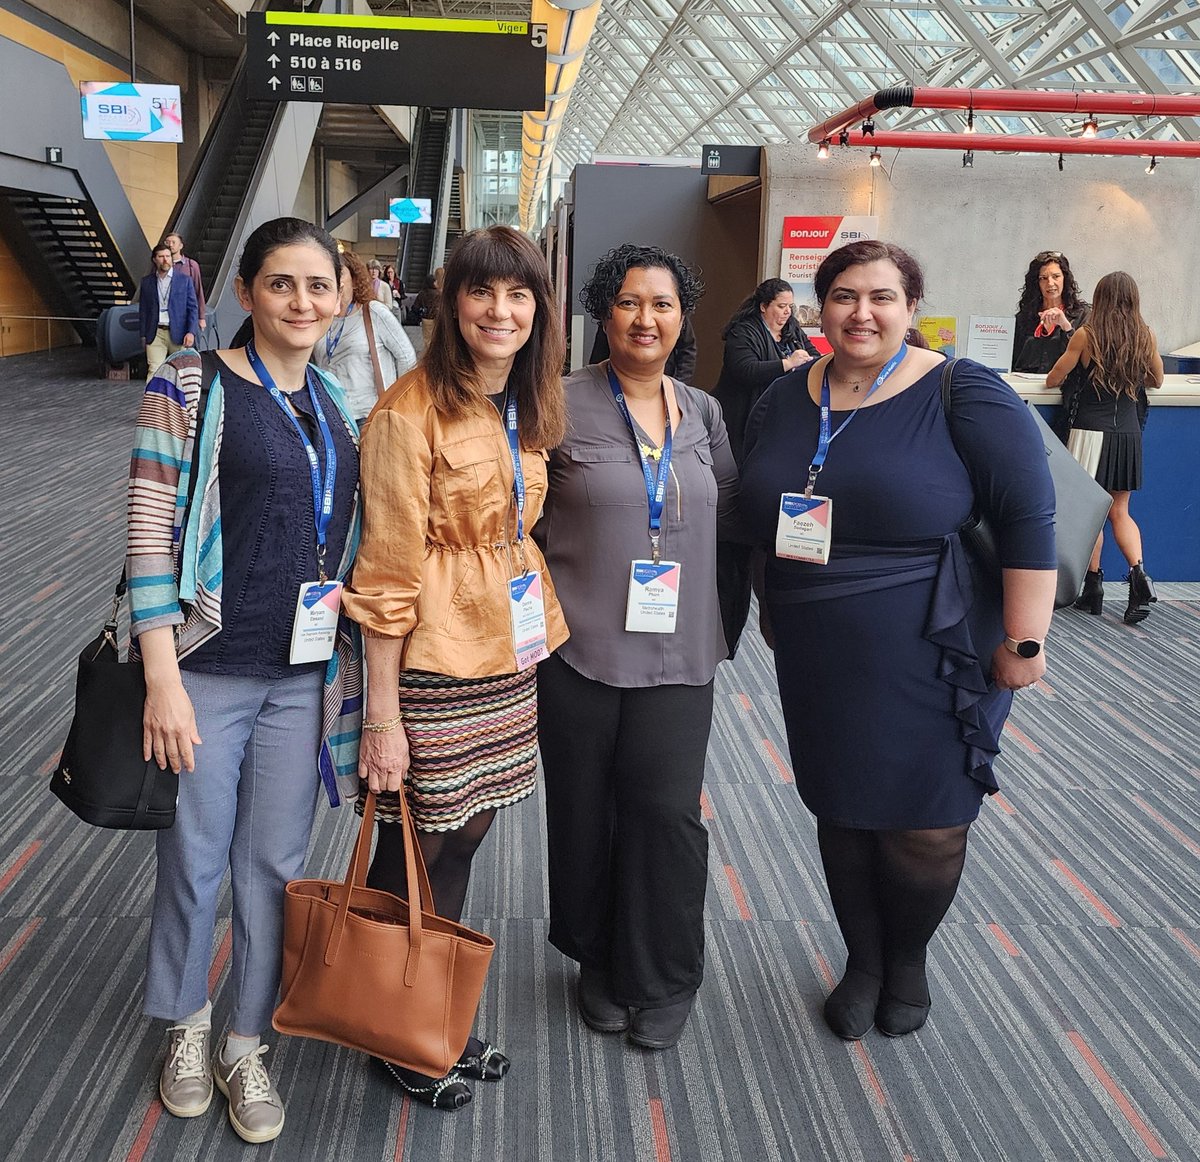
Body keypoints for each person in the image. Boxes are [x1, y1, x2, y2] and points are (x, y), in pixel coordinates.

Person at [738, 240, 1056, 1042]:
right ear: (822, 308)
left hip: (935, 637)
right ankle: (864, 960)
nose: (862, 313)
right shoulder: (783, 397)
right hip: (819, 641)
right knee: (844, 808)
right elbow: (753, 513)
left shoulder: (960, 390)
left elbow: (1028, 517)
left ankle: (906, 958)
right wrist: (767, 598)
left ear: (912, 306)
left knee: (927, 820)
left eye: (882, 297)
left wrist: (1025, 639)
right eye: (844, 296)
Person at [127, 218, 361, 1143]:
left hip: (301, 676)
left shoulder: (338, 401)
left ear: (340, 298)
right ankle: (183, 1026)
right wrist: (161, 675)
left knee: (273, 867)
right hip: (209, 669)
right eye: (281, 284)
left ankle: (245, 1041)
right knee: (193, 860)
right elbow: (149, 533)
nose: (301, 303)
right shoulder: (186, 385)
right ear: (245, 293)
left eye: (317, 286)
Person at [342, 226, 568, 1109]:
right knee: (419, 843)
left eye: (518, 296)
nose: (500, 311)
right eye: (482, 293)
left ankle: (431, 1010)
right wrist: (383, 716)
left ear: (539, 308)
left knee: (466, 832)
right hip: (432, 660)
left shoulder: (523, 400)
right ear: (451, 303)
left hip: (505, 651)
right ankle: (397, 1031)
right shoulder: (408, 412)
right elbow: (387, 576)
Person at [534, 243, 739, 1052]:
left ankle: (663, 973)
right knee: (584, 808)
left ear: (681, 317)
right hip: (577, 647)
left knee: (663, 811)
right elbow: (519, 516)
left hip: (680, 650)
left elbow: (732, 507)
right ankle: (600, 960)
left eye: (661, 303)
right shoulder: (556, 402)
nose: (644, 318)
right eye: (628, 302)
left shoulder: (704, 412)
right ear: (603, 312)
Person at [1047, 271, 1163, 623]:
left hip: (1089, 433)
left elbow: (1054, 378)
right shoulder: (1145, 336)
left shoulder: (1087, 335)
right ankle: (1139, 577)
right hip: (1127, 435)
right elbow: (1156, 378)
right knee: (1120, 511)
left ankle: (1093, 587)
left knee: (1090, 513)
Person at [713, 278, 820, 464]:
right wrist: (787, 363)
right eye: (781, 306)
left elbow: (814, 356)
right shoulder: (743, 331)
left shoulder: (792, 328)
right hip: (741, 417)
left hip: (780, 415)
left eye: (790, 306)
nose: (787, 311)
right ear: (763, 306)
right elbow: (745, 370)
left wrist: (810, 360)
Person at [313, 250, 416, 423]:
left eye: (339, 273)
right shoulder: (319, 318)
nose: (333, 280)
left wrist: (397, 402)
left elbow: (407, 357)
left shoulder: (373, 312)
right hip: (330, 414)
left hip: (368, 414)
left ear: (354, 280)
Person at [1013, 250, 1089, 372]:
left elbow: (1085, 360)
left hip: (1066, 388)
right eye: (1043, 278)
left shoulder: (1082, 314)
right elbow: (1014, 360)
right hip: (1027, 388)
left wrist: (1066, 328)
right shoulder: (1024, 317)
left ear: (1065, 278)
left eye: (1056, 276)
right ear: (1036, 283)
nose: (1050, 283)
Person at [138, 242, 198, 380]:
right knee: (154, 370)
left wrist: (191, 331)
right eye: (161, 256)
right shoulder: (147, 282)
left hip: (179, 332)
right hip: (155, 332)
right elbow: (143, 310)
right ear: (154, 259)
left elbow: (192, 308)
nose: (165, 260)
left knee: (181, 372)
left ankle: (182, 402)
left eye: (168, 256)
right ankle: (152, 401)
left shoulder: (184, 280)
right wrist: (143, 335)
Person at [587, 312, 697, 383]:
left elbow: (687, 349)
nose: (645, 322)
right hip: (614, 383)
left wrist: (678, 383)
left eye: (661, 305)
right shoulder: (612, 320)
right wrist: (595, 381)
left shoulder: (674, 316)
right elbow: (600, 351)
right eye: (629, 303)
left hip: (665, 379)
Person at [165, 232, 207, 333]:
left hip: (184, 314)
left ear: (180, 246)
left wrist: (201, 317)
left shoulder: (191, 266)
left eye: (173, 242)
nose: (170, 245)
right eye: (167, 242)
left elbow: (198, 290)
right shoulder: (160, 265)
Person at [414, 272, 441, 349]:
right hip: (436, 318)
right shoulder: (438, 294)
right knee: (435, 338)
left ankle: (427, 353)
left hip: (426, 317)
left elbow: (416, 305)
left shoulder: (422, 293)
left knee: (427, 339)